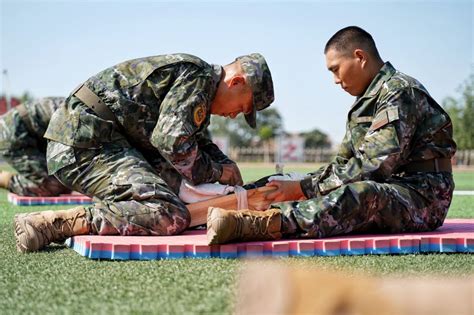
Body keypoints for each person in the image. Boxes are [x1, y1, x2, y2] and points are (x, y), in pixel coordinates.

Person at [207, 26, 456, 245]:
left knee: (364, 194)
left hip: (423, 196)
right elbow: (342, 166)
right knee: (285, 179)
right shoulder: (366, 102)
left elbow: (373, 166)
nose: (335, 80)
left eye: (336, 69)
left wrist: (304, 188)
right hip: (392, 186)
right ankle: (221, 203)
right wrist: (298, 184)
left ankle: (263, 223)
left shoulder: (399, 92)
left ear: (359, 57)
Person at [14, 53, 274, 253]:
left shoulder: (199, 87)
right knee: (169, 213)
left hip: (99, 140)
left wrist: (225, 165)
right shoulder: (198, 78)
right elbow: (172, 142)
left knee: (177, 197)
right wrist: (217, 171)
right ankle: (52, 223)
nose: (234, 115)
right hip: (84, 144)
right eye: (243, 106)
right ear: (236, 81)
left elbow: (198, 142)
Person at [0, 97, 71, 196]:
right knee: (52, 186)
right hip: (13, 133)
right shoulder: (84, 115)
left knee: (66, 183)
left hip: (34, 132)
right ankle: (2, 178)